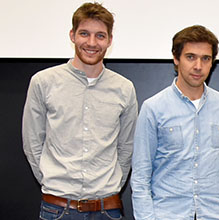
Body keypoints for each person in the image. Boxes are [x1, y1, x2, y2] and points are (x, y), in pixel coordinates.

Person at [22, 2, 137, 219]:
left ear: (110, 40)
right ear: (72, 35)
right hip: (57, 208)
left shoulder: (124, 88)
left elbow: (127, 146)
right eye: (84, 34)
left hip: (108, 209)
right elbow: (32, 143)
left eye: (100, 36)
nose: (92, 43)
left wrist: (110, 187)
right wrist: (51, 182)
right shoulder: (43, 82)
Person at [130, 25, 219, 220]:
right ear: (176, 58)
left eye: (206, 58)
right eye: (190, 57)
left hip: (215, 215)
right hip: (168, 215)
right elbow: (140, 177)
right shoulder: (153, 108)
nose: (198, 66)